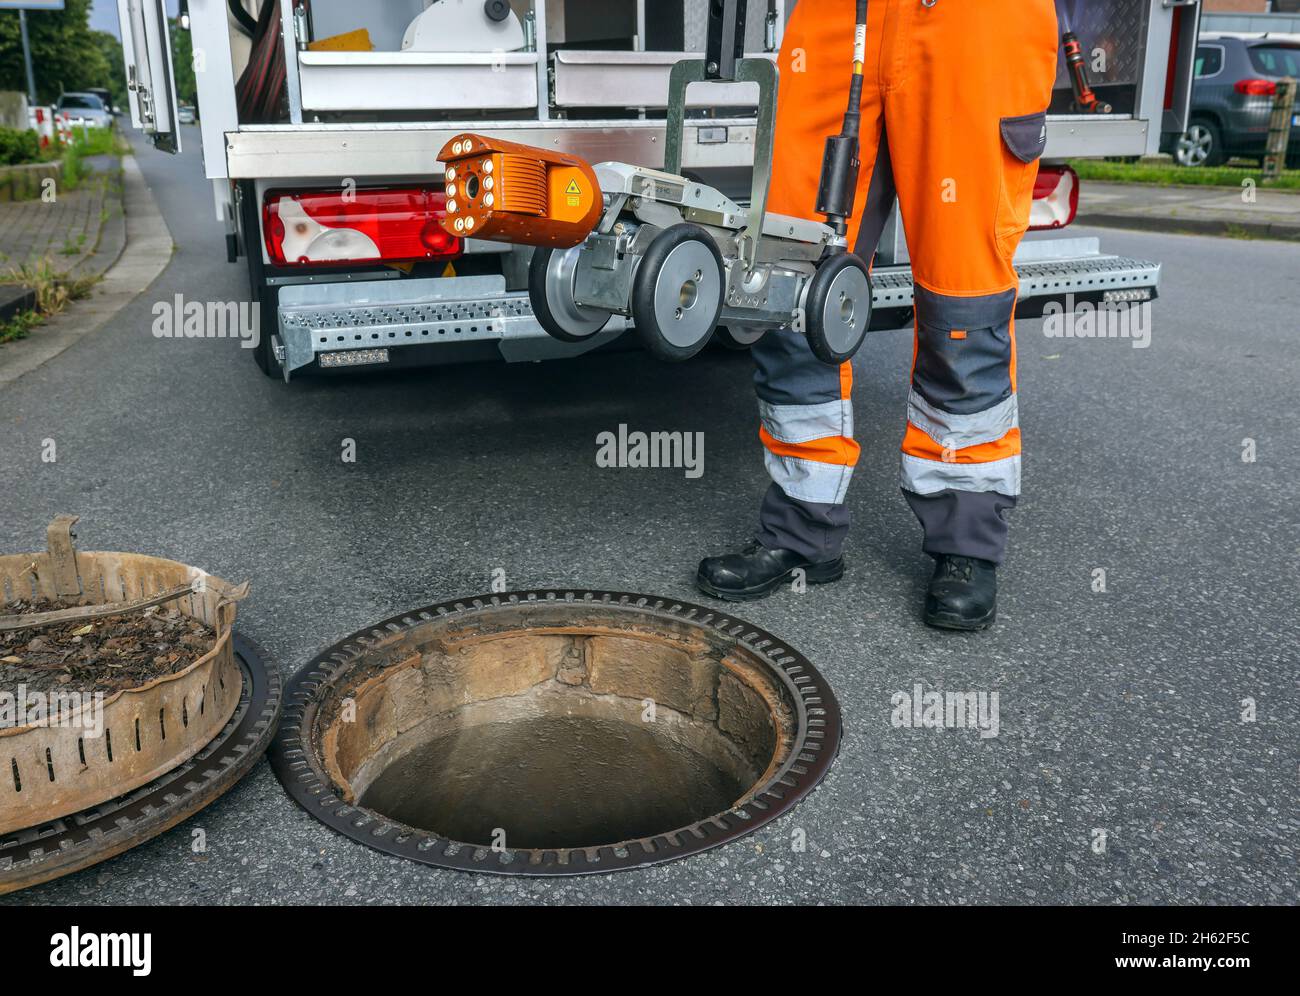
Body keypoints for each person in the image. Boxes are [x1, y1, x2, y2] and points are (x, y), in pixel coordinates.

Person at [696, 0, 1060, 630]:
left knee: (961, 304)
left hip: (975, 26)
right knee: (798, 283)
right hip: (836, 20)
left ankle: (965, 546)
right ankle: (800, 530)